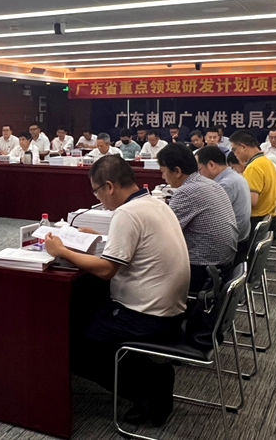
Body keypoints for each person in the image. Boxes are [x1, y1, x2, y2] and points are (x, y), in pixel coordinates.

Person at [43, 155, 189, 427]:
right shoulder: (154, 203)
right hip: (171, 309)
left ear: (109, 186)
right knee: (90, 317)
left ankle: (148, 390)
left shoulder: (127, 213)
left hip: (149, 317)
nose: (99, 199)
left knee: (73, 343)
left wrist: (62, 251)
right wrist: (97, 238)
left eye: (97, 192)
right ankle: (151, 375)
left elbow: (106, 270)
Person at [157, 144, 238, 293]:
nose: (162, 177)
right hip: (224, 265)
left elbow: (163, 234)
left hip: (203, 270)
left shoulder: (186, 192)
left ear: (177, 171)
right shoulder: (210, 183)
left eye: (163, 171)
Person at [196, 146, 252, 265]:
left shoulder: (225, 185)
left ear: (211, 165)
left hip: (232, 243)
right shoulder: (233, 176)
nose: (199, 175)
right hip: (240, 236)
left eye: (199, 170)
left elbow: (207, 217)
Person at [230, 131, 276, 239]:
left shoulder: (253, 167)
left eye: (234, 149)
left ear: (243, 147)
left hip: (256, 224)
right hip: (270, 221)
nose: (234, 154)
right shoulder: (266, 161)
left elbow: (252, 201)